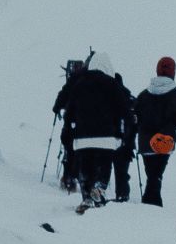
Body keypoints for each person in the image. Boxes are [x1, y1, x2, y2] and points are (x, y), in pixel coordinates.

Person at [52, 51, 132, 211]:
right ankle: (99, 188)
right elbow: (124, 109)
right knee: (104, 165)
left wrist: (68, 129)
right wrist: (125, 133)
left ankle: (87, 197)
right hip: (106, 136)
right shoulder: (112, 84)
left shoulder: (79, 84)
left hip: (82, 136)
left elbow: (70, 109)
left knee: (85, 167)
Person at [132, 56, 176, 208]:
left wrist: (130, 138)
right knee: (156, 175)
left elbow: (135, 120)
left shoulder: (143, 96)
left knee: (152, 175)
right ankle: (152, 207)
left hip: (146, 144)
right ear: (173, 72)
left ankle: (150, 205)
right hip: (165, 143)